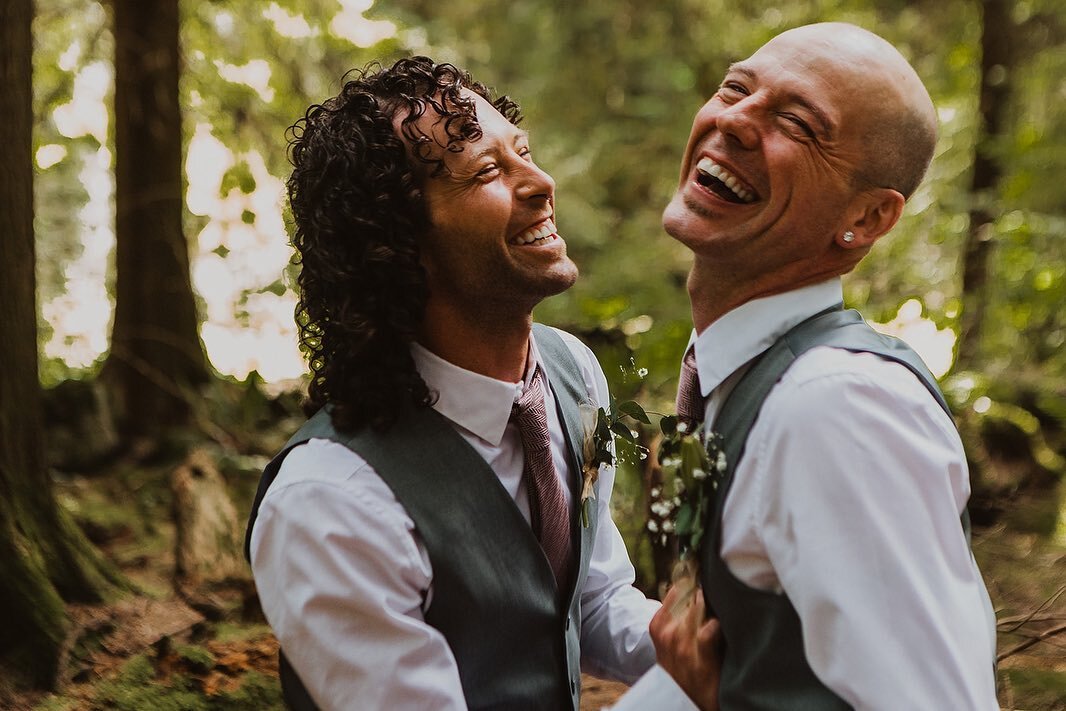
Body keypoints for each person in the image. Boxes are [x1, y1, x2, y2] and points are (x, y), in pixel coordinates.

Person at [244, 57, 658, 710]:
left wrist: (717, 648)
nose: (541, 182)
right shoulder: (329, 506)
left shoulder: (574, 375)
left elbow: (594, 599)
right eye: (489, 171)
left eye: (521, 151)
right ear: (397, 242)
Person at [637, 22, 999, 710]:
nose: (734, 119)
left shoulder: (838, 406)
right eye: (736, 87)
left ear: (866, 218)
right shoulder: (747, 379)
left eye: (797, 124)